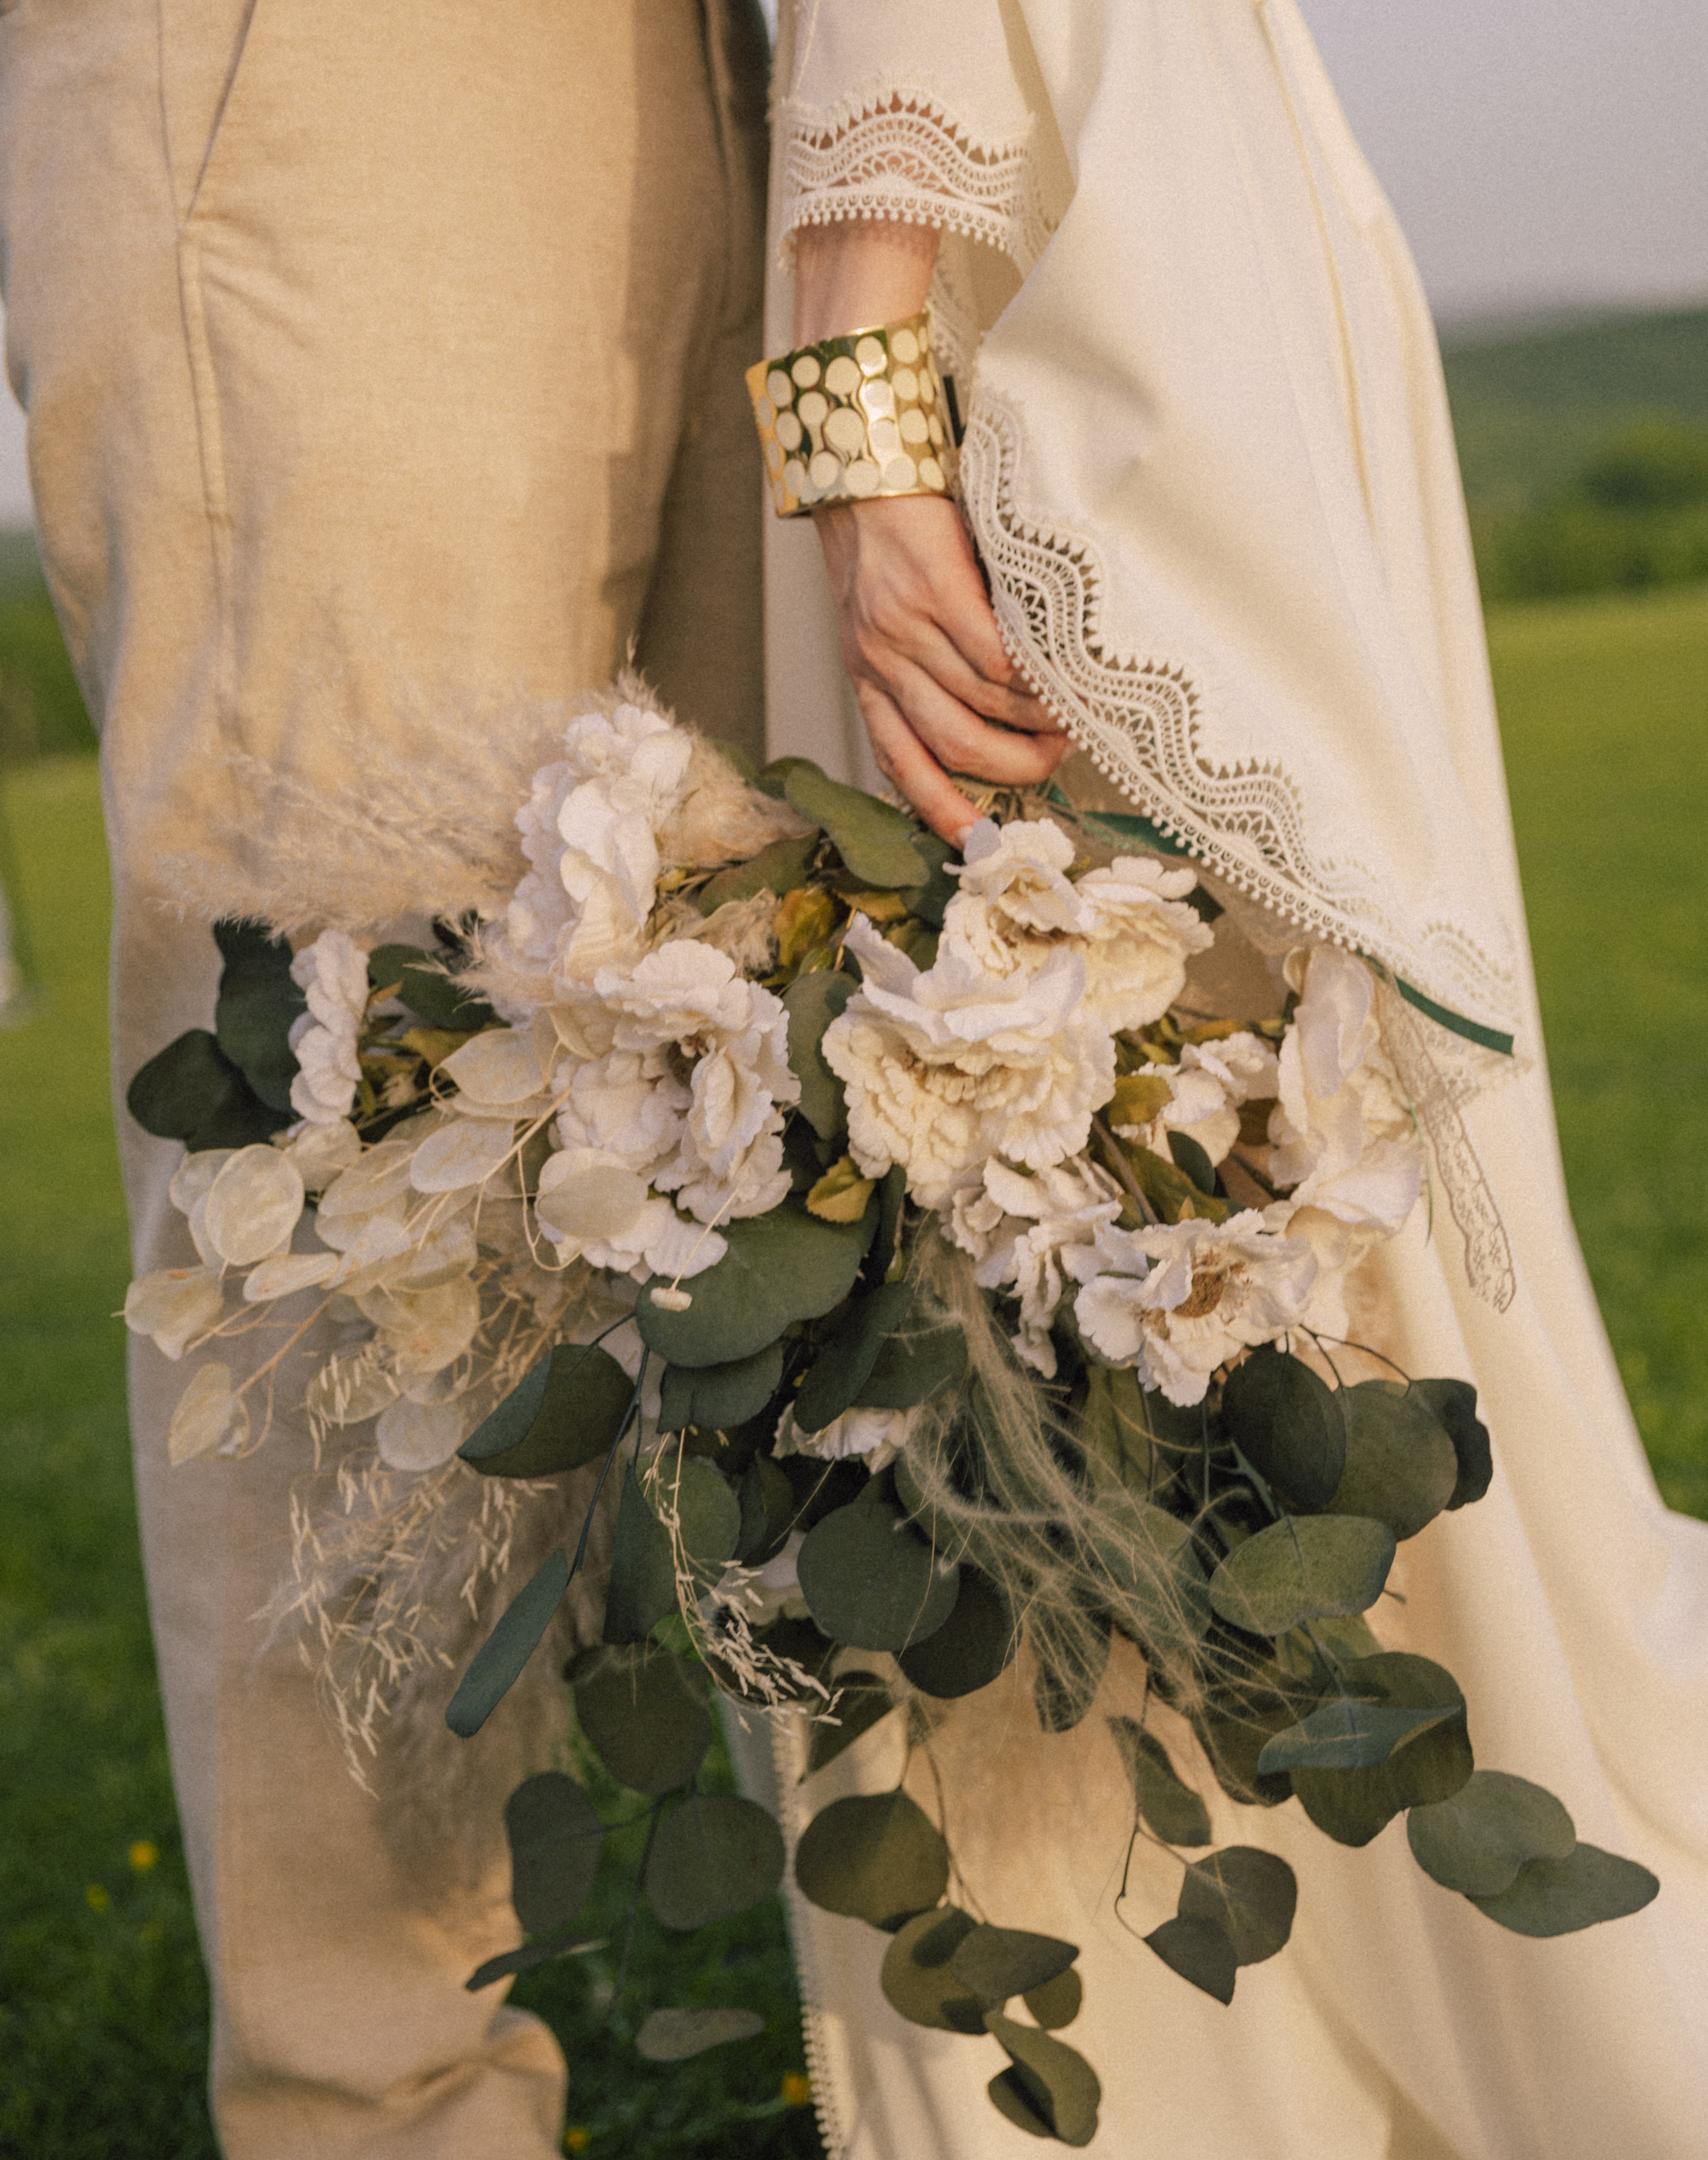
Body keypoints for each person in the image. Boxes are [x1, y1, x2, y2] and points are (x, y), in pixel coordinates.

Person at [749, 3, 1708, 2154]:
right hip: (1137, 193)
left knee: (1164, 1140)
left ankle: (1240, 1996)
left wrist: (861, 403)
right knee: (1151, 1170)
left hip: (1027, 265)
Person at [0, 3, 769, 2153]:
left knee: (807, 1061)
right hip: (328, 89)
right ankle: (386, 2107)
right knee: (351, 1163)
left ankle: (941, 2036)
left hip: (744, 68)